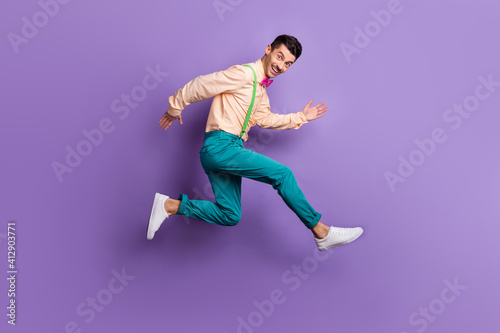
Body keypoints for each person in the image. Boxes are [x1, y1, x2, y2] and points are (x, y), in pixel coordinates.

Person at [147, 35, 363, 251]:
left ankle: (169, 205)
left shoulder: (260, 90)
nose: (281, 66)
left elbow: (265, 119)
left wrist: (301, 117)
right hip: (221, 147)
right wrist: (175, 106)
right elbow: (203, 84)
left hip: (224, 151)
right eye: (280, 57)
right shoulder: (244, 74)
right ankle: (321, 231)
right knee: (283, 174)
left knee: (230, 214)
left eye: (288, 63)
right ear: (268, 49)